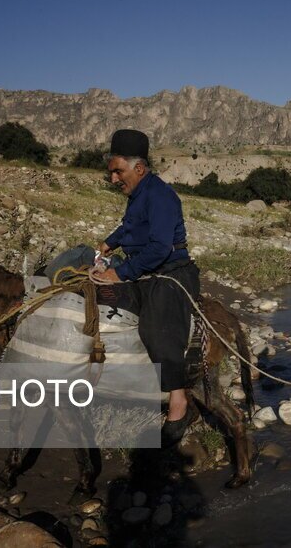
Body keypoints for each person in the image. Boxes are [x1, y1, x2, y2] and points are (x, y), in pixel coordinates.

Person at [91, 128, 200, 446]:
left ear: (138, 169)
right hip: (143, 271)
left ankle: (179, 401)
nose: (113, 179)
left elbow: (159, 249)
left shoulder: (162, 196)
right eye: (111, 172)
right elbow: (129, 228)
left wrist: (120, 274)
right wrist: (108, 245)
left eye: (118, 171)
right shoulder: (138, 196)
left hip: (171, 274)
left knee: (155, 328)